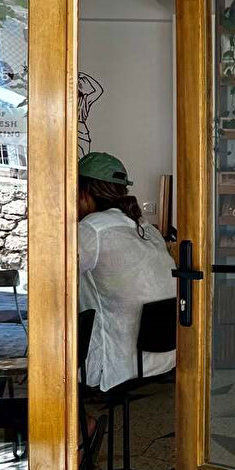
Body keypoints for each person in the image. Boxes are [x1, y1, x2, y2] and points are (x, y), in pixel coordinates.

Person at [78, 152, 175, 392]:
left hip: (118, 366)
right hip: (162, 355)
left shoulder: (90, 230)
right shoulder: (146, 228)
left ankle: (66, 410)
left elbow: (54, 280)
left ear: (84, 192)